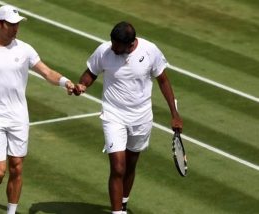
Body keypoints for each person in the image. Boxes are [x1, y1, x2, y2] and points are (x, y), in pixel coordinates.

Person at [0, 5, 74, 214]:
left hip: (18, 117)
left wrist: (65, 82)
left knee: (17, 167)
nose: (15, 29)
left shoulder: (25, 49)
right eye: (11, 24)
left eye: (17, 24)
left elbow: (46, 72)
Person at [72, 21, 183, 214]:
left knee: (131, 164)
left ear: (130, 44)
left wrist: (175, 114)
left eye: (117, 45)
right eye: (112, 42)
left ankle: (123, 203)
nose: (113, 48)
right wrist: (82, 85)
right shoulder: (104, 51)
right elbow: (90, 73)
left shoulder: (150, 51)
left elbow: (163, 81)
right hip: (113, 115)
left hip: (141, 118)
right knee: (118, 166)